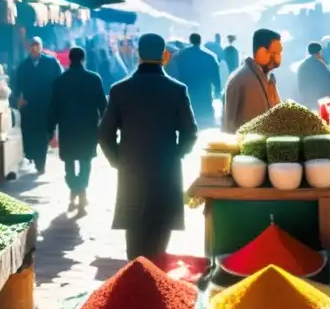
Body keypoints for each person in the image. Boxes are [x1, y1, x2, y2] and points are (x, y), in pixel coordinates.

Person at [97, 33, 197, 259]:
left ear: (137, 54)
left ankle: (136, 289)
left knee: (135, 249)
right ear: (164, 56)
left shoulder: (120, 89)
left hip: (131, 174)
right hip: (166, 175)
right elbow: (190, 133)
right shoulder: (177, 90)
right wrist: (175, 154)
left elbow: (104, 135)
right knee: (159, 249)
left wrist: (118, 160)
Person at [48, 47, 107, 213]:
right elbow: (103, 105)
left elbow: (53, 108)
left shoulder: (59, 81)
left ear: (69, 59)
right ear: (83, 59)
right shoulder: (94, 79)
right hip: (88, 127)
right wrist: (109, 125)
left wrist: (50, 129)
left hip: (67, 128)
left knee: (69, 161)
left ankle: (74, 189)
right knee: (85, 160)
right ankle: (81, 190)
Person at [11, 36, 62, 175]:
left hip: (46, 104)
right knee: (28, 133)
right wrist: (16, 100)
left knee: (43, 135)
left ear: (41, 47)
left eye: (37, 46)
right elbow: (17, 85)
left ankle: (41, 163)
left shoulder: (51, 62)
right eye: (32, 46)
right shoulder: (24, 65)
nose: (34, 48)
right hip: (29, 105)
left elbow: (60, 81)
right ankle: (31, 156)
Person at [222, 28, 282, 133]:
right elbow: (229, 125)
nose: (278, 58)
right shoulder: (239, 79)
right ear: (262, 51)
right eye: (274, 53)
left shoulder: (268, 78)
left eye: (279, 53)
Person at [172, 33, 222, 128]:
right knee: (205, 123)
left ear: (190, 40)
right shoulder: (209, 57)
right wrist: (217, 90)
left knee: (187, 120)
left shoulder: (180, 56)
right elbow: (216, 77)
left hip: (187, 92)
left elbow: (174, 74)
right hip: (204, 94)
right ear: (200, 41)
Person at [296, 42, 330, 110]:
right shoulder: (319, 65)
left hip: (307, 102)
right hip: (321, 102)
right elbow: (327, 84)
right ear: (319, 52)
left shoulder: (302, 66)